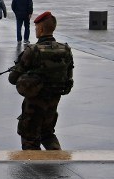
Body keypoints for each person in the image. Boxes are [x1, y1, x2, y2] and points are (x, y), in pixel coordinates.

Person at [7, 11, 74, 150]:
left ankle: (33, 169)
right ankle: (58, 159)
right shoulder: (66, 50)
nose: (36, 30)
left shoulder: (33, 50)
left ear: (41, 29)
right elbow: (68, 77)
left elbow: (13, 79)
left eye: (37, 28)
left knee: (29, 138)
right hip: (53, 102)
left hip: (33, 104)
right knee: (48, 134)